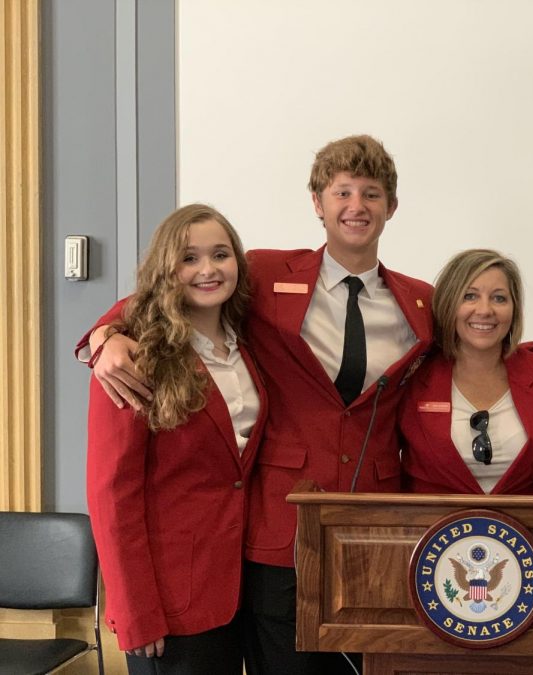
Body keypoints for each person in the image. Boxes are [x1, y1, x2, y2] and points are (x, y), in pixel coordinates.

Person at [78, 136, 433, 675]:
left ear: (392, 206)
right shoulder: (266, 273)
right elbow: (168, 290)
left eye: (371, 193)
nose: (356, 206)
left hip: (370, 522)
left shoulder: (421, 302)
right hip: (277, 526)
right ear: (318, 202)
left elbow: (487, 341)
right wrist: (105, 334)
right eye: (342, 192)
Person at [86, 204, 267, 674]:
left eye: (220, 254)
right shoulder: (131, 359)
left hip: (238, 589)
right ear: (166, 270)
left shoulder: (247, 342)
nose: (208, 269)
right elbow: (112, 495)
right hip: (168, 600)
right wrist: (135, 611)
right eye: (189, 258)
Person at [400, 249, 533, 494]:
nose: (485, 310)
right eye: (470, 296)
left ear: (514, 308)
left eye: (499, 298)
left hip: (527, 529)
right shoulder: (413, 377)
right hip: (430, 528)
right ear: (448, 304)